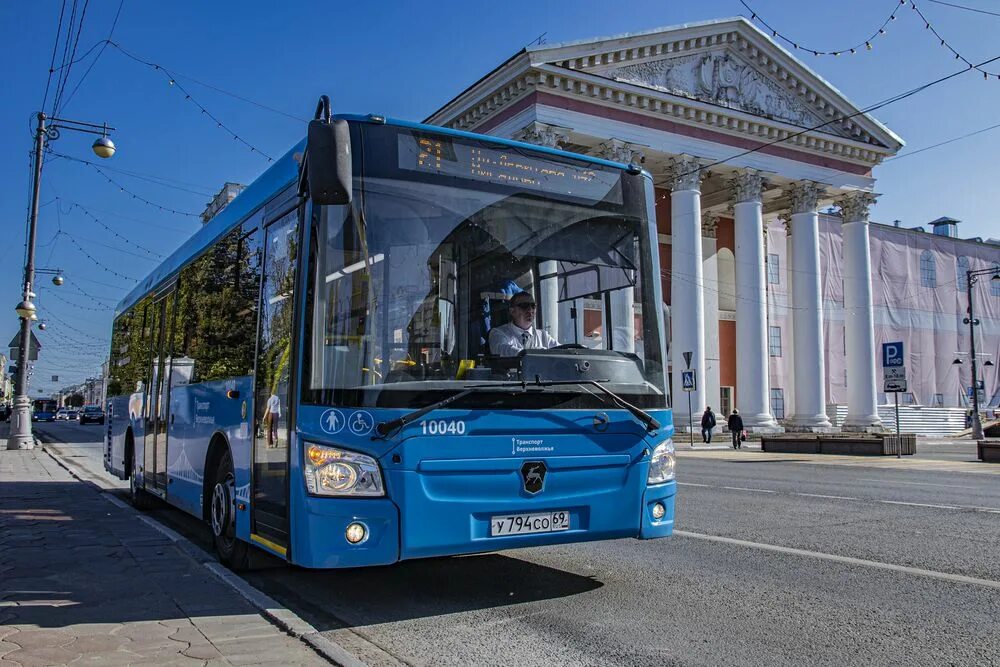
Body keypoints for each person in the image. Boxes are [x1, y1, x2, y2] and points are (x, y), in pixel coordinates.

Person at [489, 291, 558, 357]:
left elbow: (562, 351)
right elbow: (502, 350)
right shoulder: (498, 333)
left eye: (533, 306)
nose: (530, 310)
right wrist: (535, 352)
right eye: (524, 306)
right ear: (512, 311)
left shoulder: (543, 336)